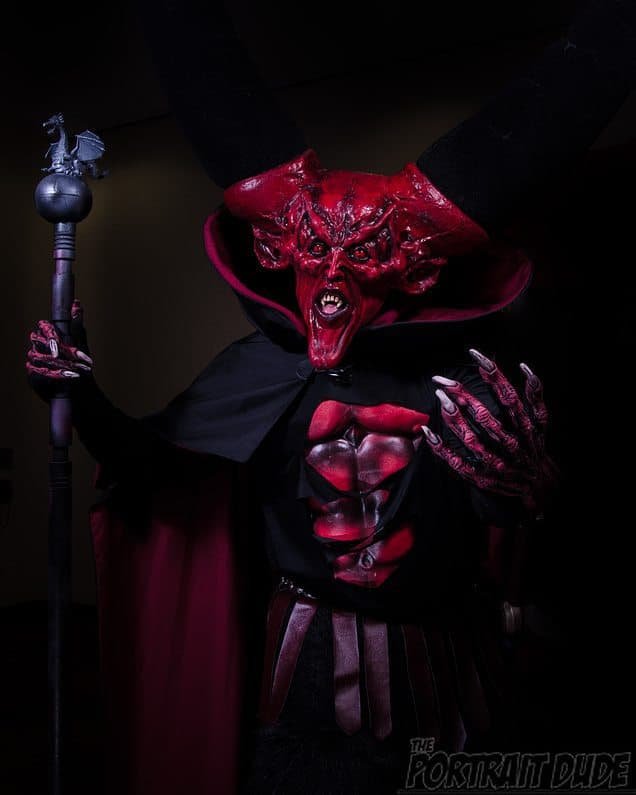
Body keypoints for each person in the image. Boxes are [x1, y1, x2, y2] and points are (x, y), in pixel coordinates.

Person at [26, 2, 636, 793]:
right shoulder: (262, 368)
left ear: (415, 270)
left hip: (450, 669)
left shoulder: (467, 374)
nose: (334, 282)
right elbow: (153, 468)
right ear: (283, 252)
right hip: (303, 668)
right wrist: (80, 391)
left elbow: (519, 530)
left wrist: (526, 491)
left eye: (367, 255)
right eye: (316, 250)